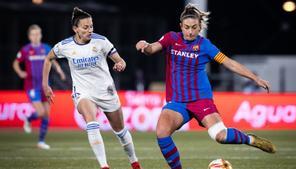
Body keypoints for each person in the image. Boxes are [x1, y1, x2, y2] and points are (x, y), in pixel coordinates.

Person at [136, 4, 276, 169]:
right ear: (181, 26)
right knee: (162, 133)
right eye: (187, 27)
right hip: (178, 102)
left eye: (194, 28)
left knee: (221, 136)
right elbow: (152, 49)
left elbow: (229, 63)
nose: (190, 31)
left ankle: (250, 139)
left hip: (201, 99)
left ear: (200, 27)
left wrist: (255, 78)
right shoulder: (171, 38)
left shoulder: (205, 45)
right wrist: (145, 45)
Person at [42, 7, 142, 169]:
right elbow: (48, 59)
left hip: (105, 90)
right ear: (75, 29)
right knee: (91, 119)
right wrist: (45, 85)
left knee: (120, 131)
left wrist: (120, 64)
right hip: (83, 92)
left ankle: (134, 162)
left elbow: (120, 60)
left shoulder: (101, 41)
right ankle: (104, 166)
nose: (90, 30)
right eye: (85, 27)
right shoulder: (65, 46)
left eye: (91, 26)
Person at [12, 24, 66, 150]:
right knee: (41, 112)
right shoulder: (25, 50)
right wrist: (20, 72)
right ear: (30, 36)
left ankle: (41, 141)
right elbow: (16, 62)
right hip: (32, 86)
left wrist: (60, 71)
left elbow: (52, 61)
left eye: (38, 34)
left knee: (47, 114)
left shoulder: (46, 48)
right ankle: (29, 119)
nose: (36, 36)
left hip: (45, 85)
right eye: (34, 34)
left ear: (41, 35)